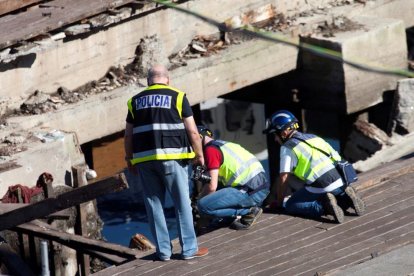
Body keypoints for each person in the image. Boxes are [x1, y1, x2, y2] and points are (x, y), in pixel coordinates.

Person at [124, 64, 208, 261]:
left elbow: (128, 136)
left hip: (145, 160)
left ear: (148, 82)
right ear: (167, 80)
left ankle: (163, 252)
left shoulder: (134, 102)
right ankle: (188, 250)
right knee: (181, 204)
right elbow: (193, 131)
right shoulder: (178, 97)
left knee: (154, 205)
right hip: (172, 158)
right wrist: (199, 154)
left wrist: (129, 159)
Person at [263, 110, 365, 223]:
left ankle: (324, 207)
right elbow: (337, 157)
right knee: (331, 193)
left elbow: (283, 178)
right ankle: (346, 198)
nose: (275, 139)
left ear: (283, 133)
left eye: (275, 134)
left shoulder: (287, 148)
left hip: (322, 185)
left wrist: (280, 203)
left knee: (292, 204)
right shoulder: (313, 137)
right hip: (341, 179)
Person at [196, 125, 270, 230]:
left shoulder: (210, 150)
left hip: (250, 191)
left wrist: (200, 198)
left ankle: (248, 213)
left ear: (199, 138)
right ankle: (228, 217)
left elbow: (212, 186)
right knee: (219, 188)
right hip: (260, 188)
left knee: (203, 206)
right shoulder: (225, 144)